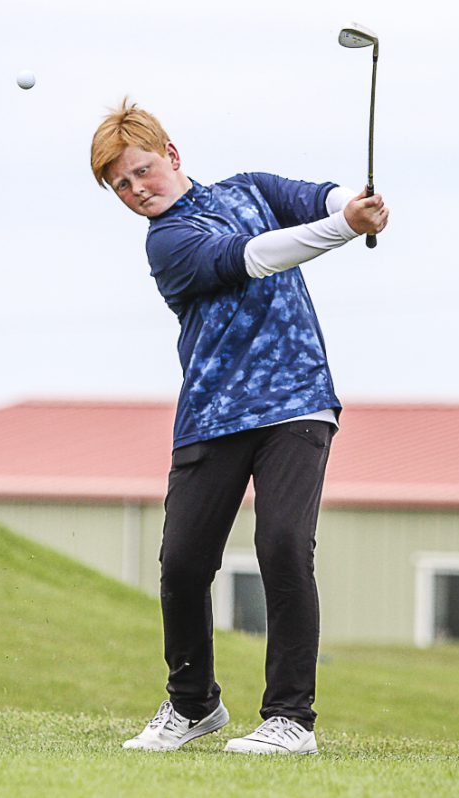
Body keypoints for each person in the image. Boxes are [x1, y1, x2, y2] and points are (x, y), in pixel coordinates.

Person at [89, 100, 388, 755]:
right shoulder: (168, 243)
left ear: (172, 155)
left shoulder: (249, 188)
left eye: (142, 171)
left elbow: (311, 197)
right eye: (121, 186)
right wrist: (344, 226)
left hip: (296, 401)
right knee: (183, 564)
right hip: (213, 413)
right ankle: (193, 706)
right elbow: (250, 257)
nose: (138, 189)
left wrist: (353, 201)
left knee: (283, 545)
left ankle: (290, 721)